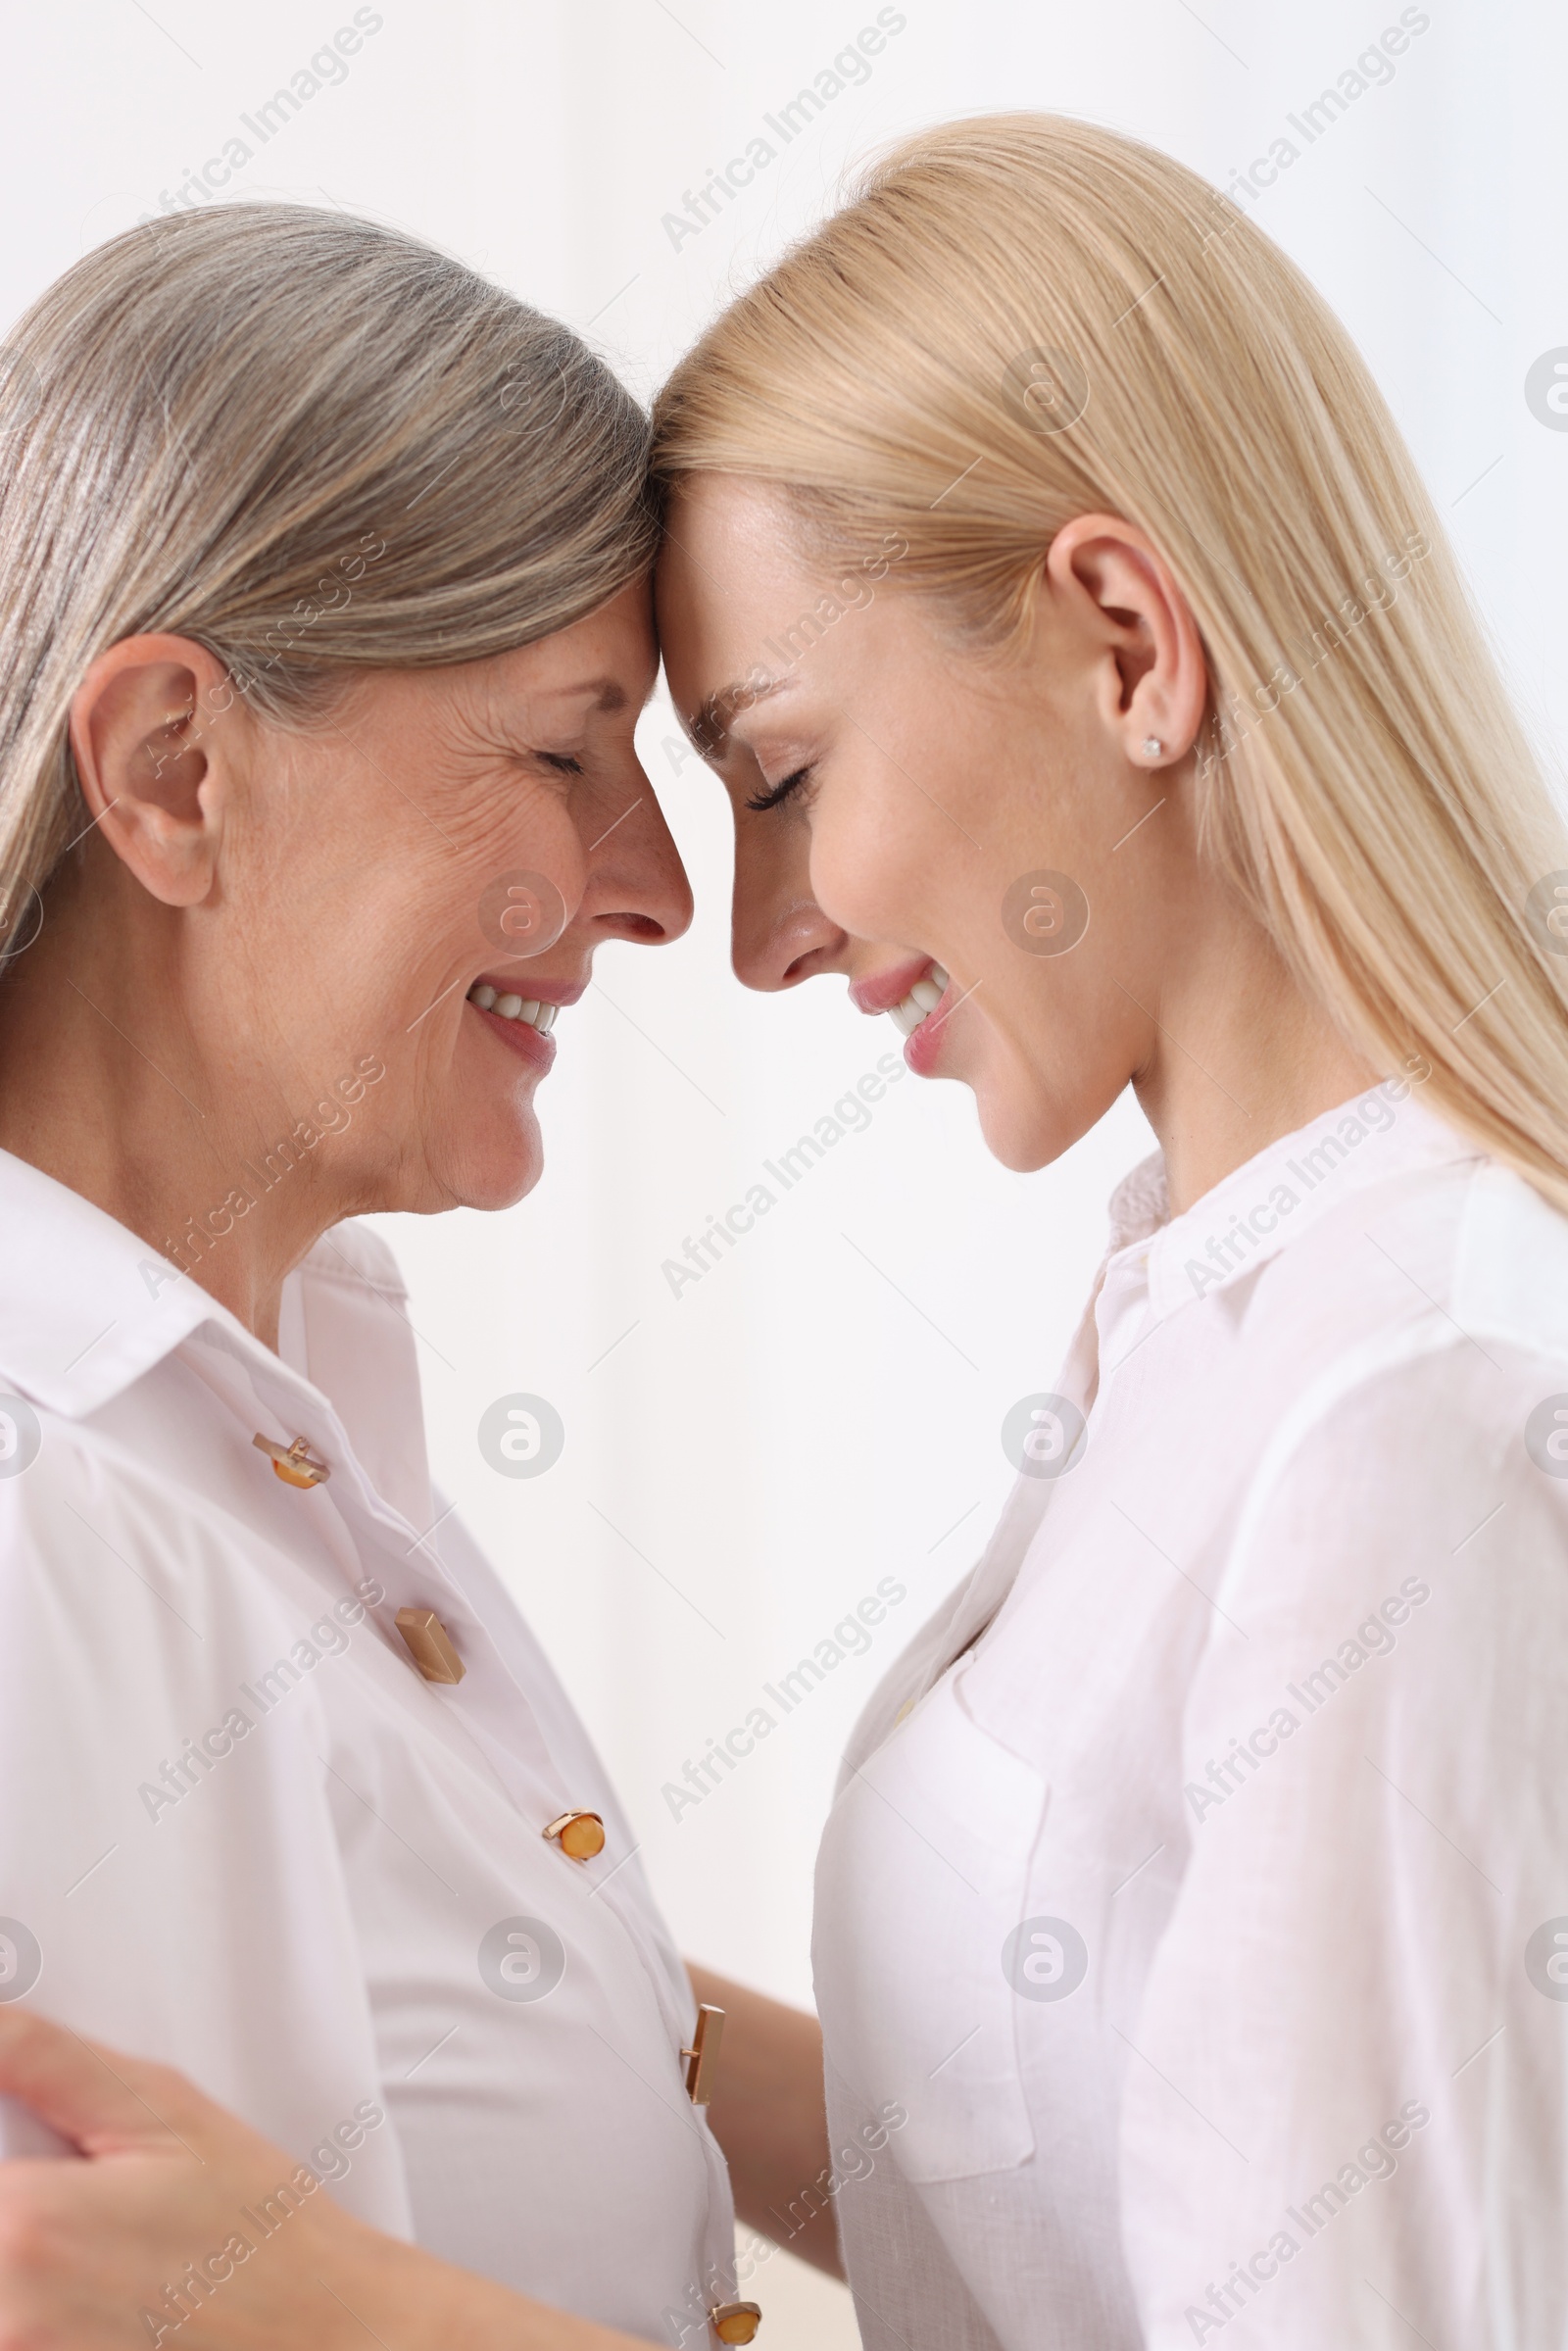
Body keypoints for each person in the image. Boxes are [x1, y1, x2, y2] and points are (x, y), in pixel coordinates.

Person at [6, 109, 1568, 2351]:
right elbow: (1075, 2119)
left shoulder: (1390, 1395)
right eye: (575, 751)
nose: (707, 924)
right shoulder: (1195, 1309)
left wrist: (345, 2314)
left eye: (770, 769)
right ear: (170, 775)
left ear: (1127, 640)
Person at [0, 199, 800, 2350]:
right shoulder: (44, 1524)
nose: (652, 890)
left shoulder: (271, 1432)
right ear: (178, 773)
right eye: (560, 749)